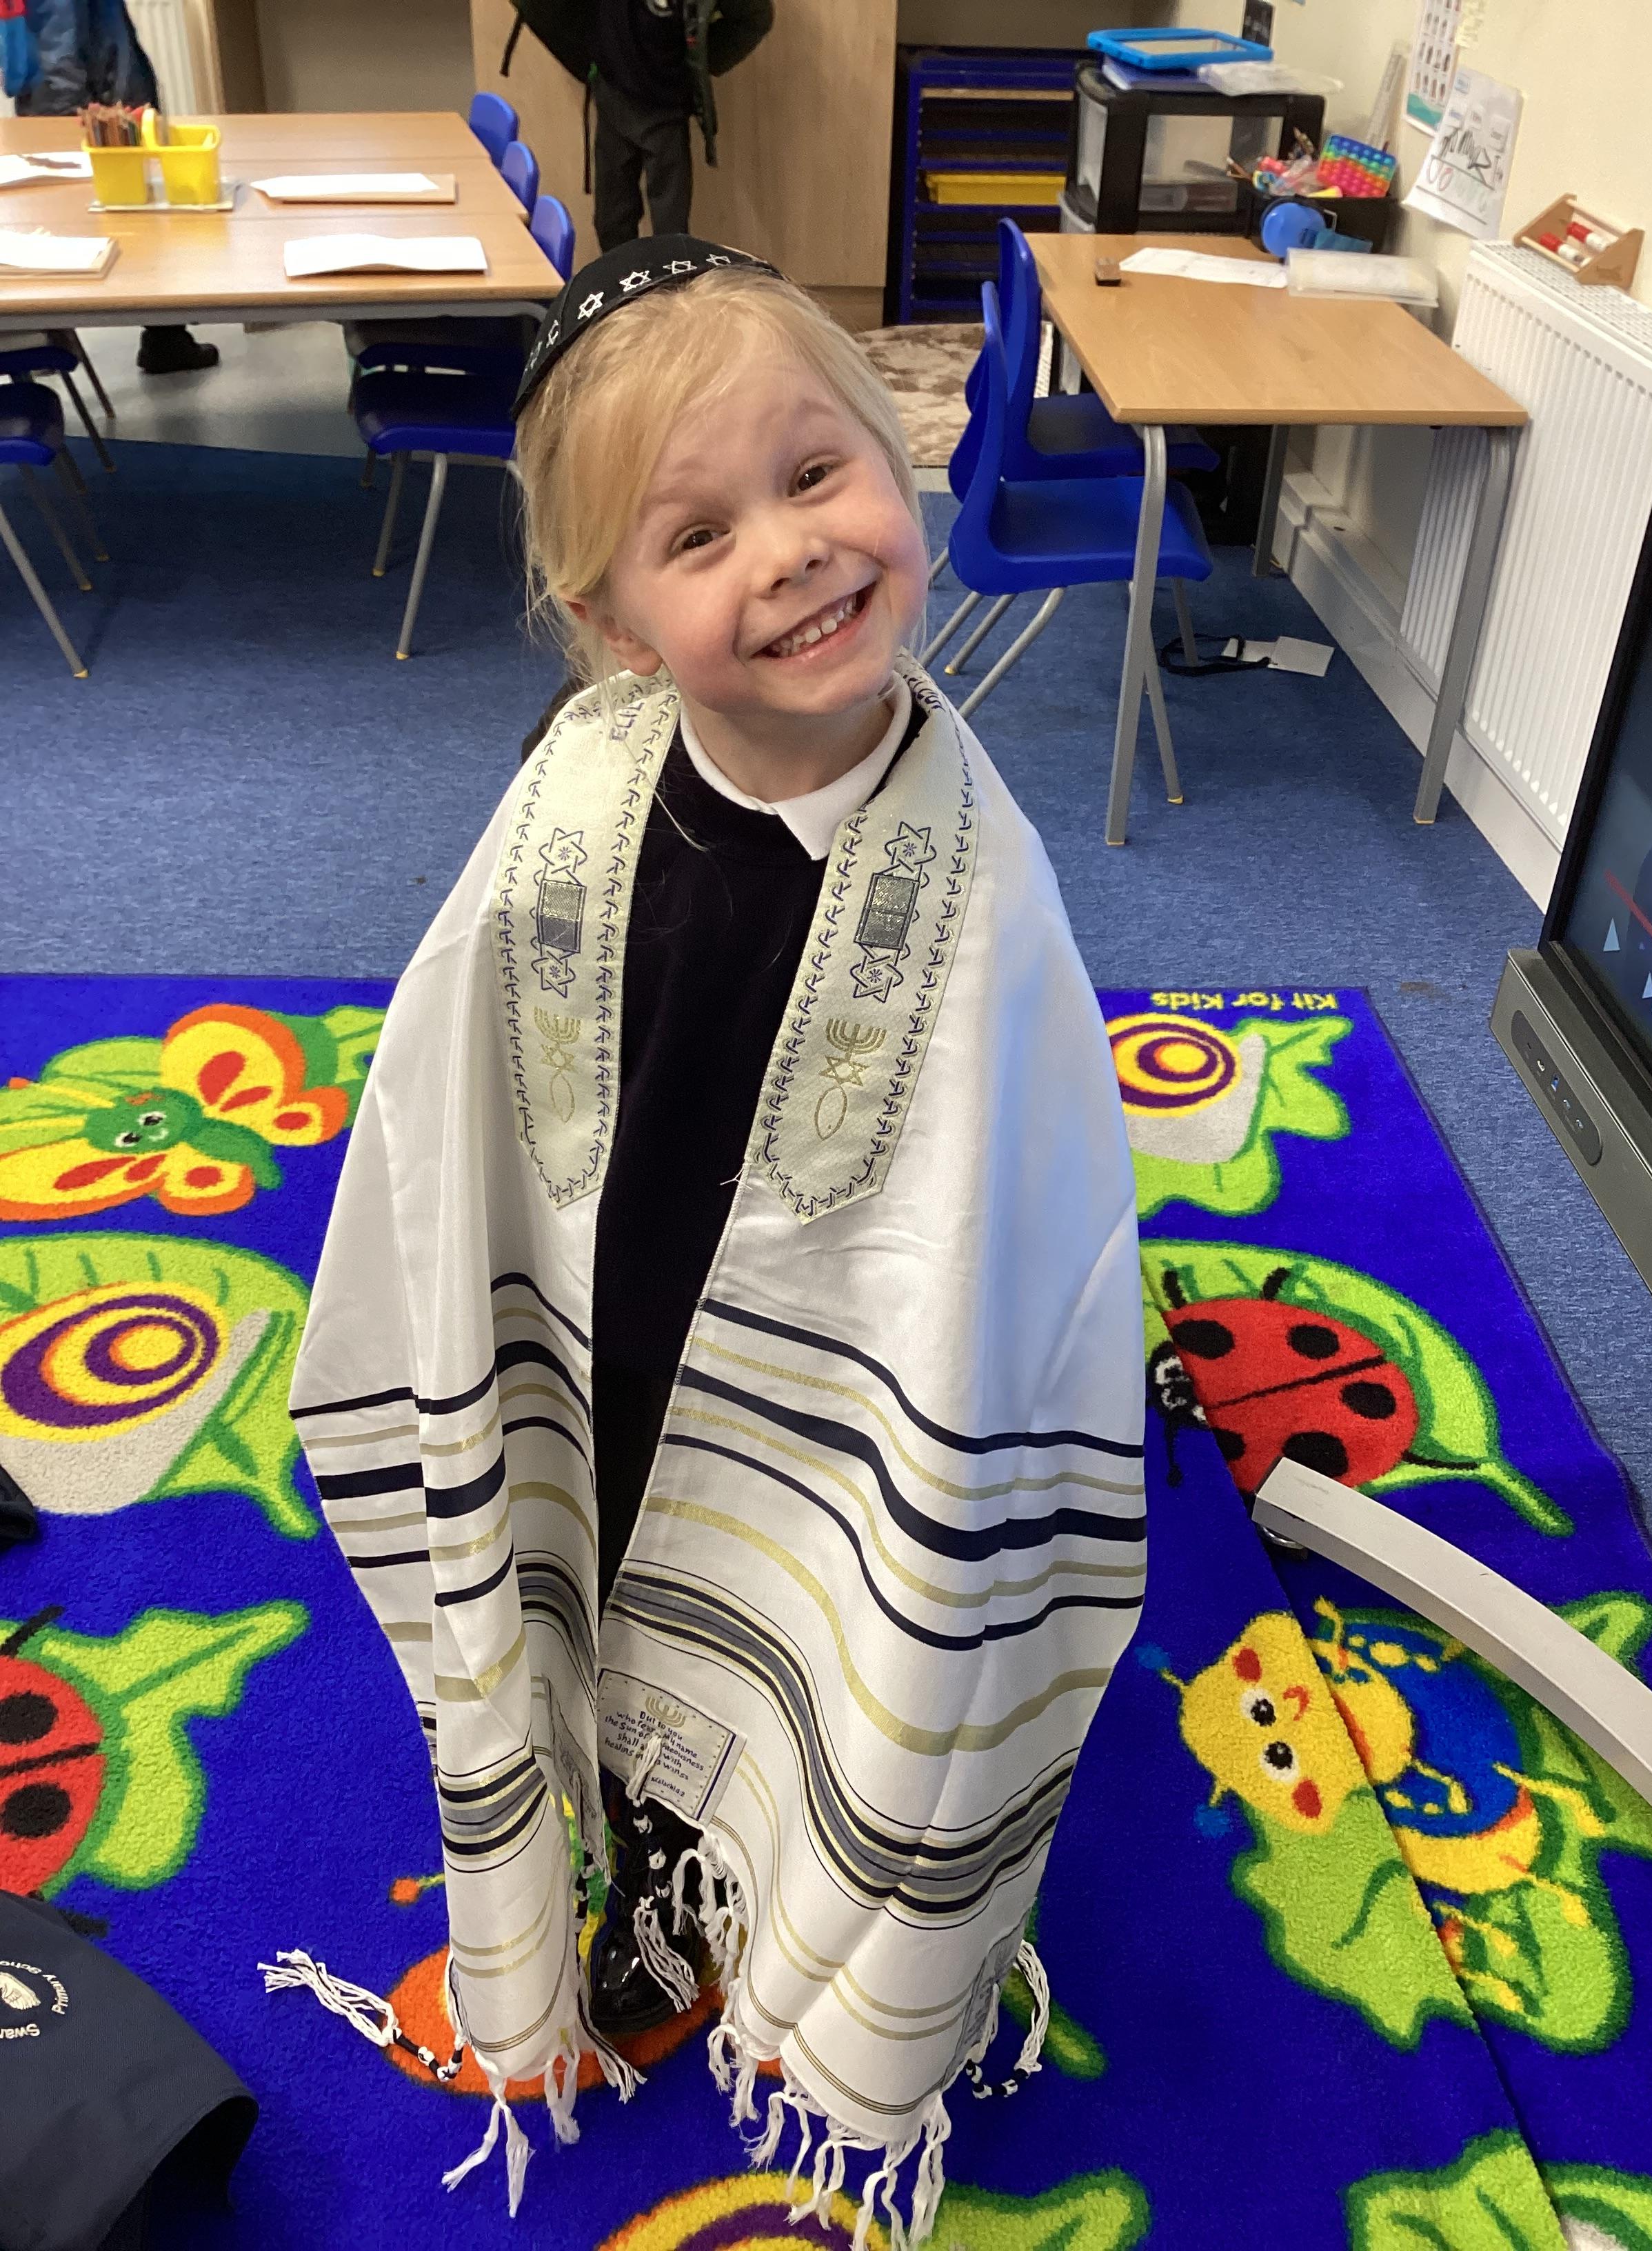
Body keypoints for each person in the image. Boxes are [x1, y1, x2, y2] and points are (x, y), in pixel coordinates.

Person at [288, 237, 1146, 2235]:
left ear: (897, 457)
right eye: (699, 533)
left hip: (838, 1373)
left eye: (815, 472)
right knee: (601, 1594)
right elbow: (460, 1102)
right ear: (611, 623)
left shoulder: (984, 883)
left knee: (823, 1618)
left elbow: (1009, 1235)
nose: (791, 550)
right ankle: (642, 1840)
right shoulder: (572, 793)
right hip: (611, 1315)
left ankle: (768, 1885)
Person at [6, 0, 219, 374]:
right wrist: (77, 117)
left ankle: (158, 339)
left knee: (125, 218)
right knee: (136, 216)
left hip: (64, 85)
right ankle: (161, 340)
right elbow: (62, 37)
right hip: (83, 94)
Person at [501, 0, 773, 248]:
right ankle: (619, 286)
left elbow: (754, 18)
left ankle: (670, 286)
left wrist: (700, 60)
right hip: (613, 95)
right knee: (611, 222)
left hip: (667, 109)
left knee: (671, 234)